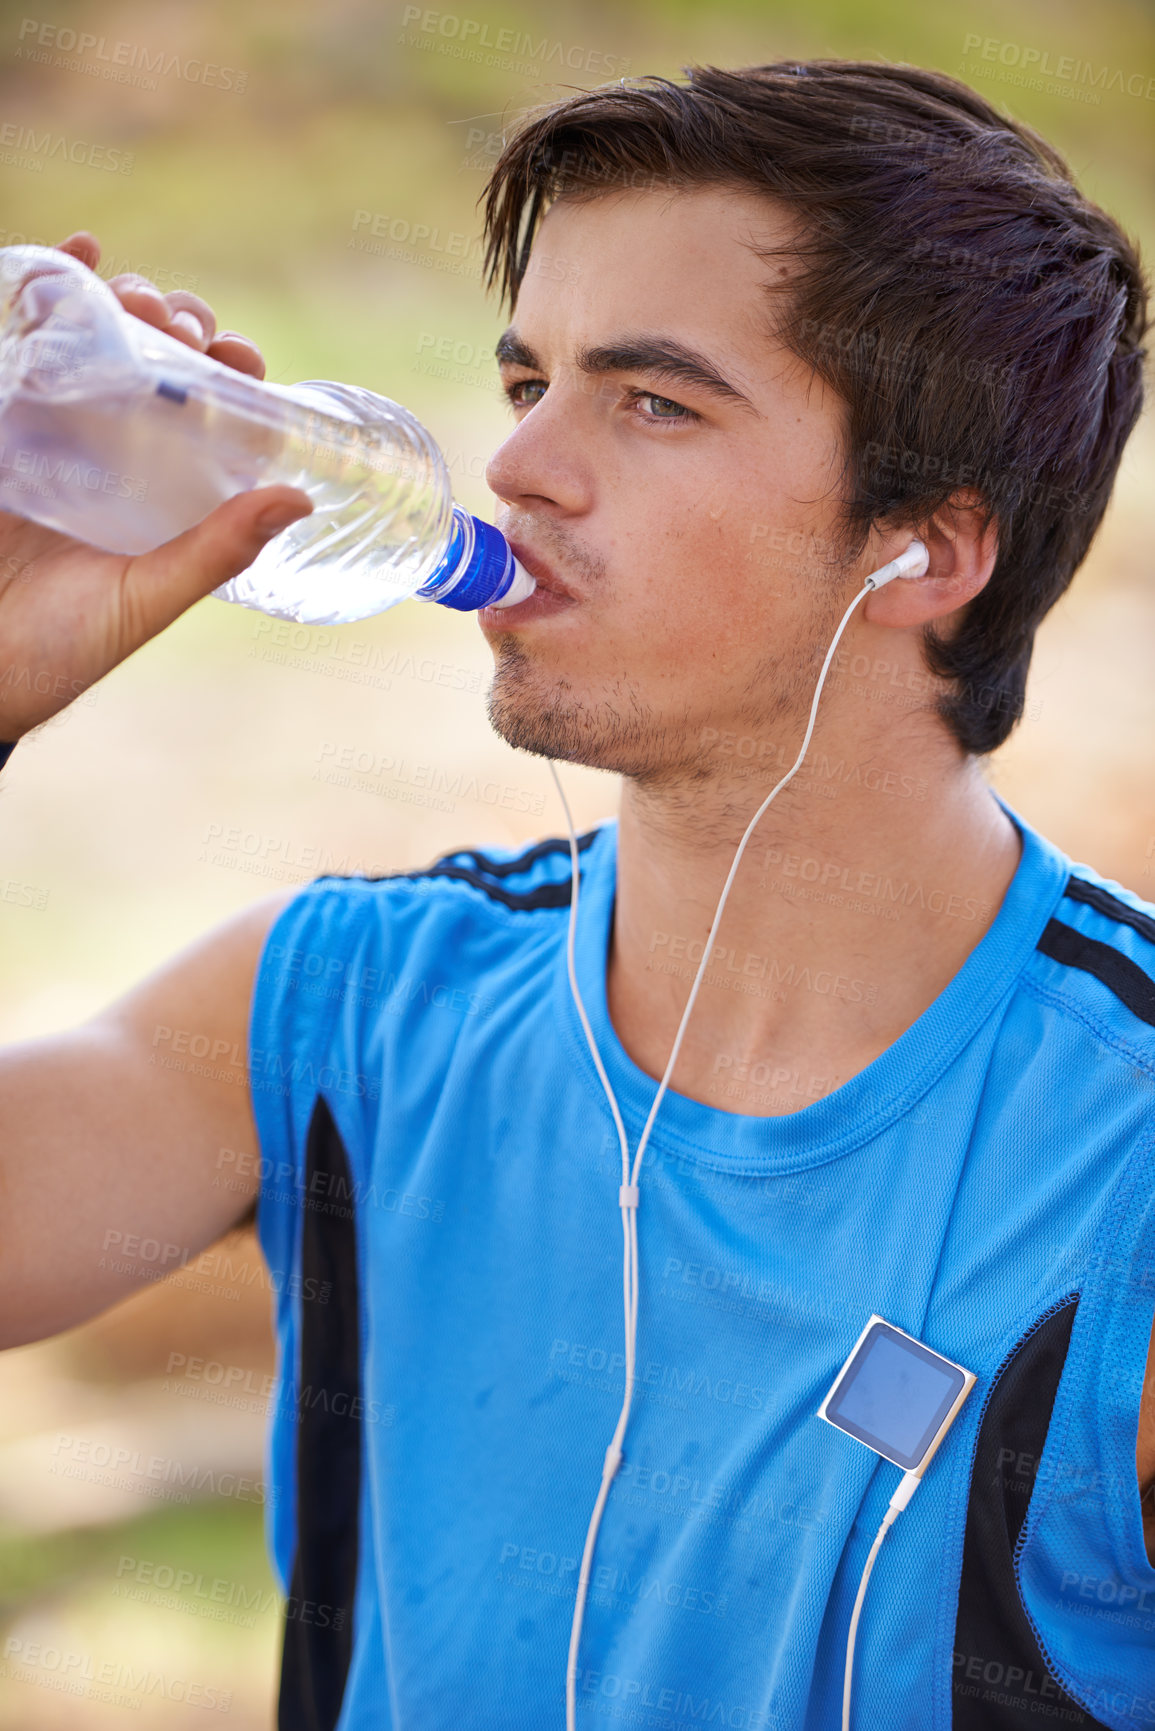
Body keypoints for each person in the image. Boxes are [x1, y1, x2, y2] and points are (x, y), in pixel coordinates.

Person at [0, 56, 1151, 1731]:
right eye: (528, 377)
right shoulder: (341, 1008)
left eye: (653, 400)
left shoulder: (1120, 1160)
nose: (521, 462)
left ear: (934, 549)